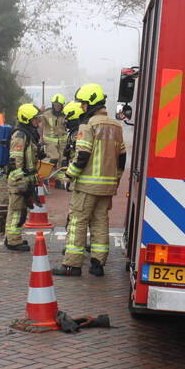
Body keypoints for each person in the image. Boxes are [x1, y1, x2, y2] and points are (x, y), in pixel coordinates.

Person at [53, 83, 126, 277]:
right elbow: (122, 159)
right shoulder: (116, 126)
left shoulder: (88, 125)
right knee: (100, 223)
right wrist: (115, 181)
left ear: (91, 103)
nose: (82, 108)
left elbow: (82, 154)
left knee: (77, 222)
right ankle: (97, 264)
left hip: (87, 186)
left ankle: (72, 265)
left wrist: (70, 174)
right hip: (107, 187)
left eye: (84, 104)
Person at [5, 103, 43, 252]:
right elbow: (15, 161)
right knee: (16, 212)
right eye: (35, 119)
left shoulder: (28, 134)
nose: (37, 122)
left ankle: (12, 238)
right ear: (27, 119)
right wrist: (21, 183)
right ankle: (13, 241)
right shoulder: (20, 135)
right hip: (18, 181)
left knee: (19, 211)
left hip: (25, 180)